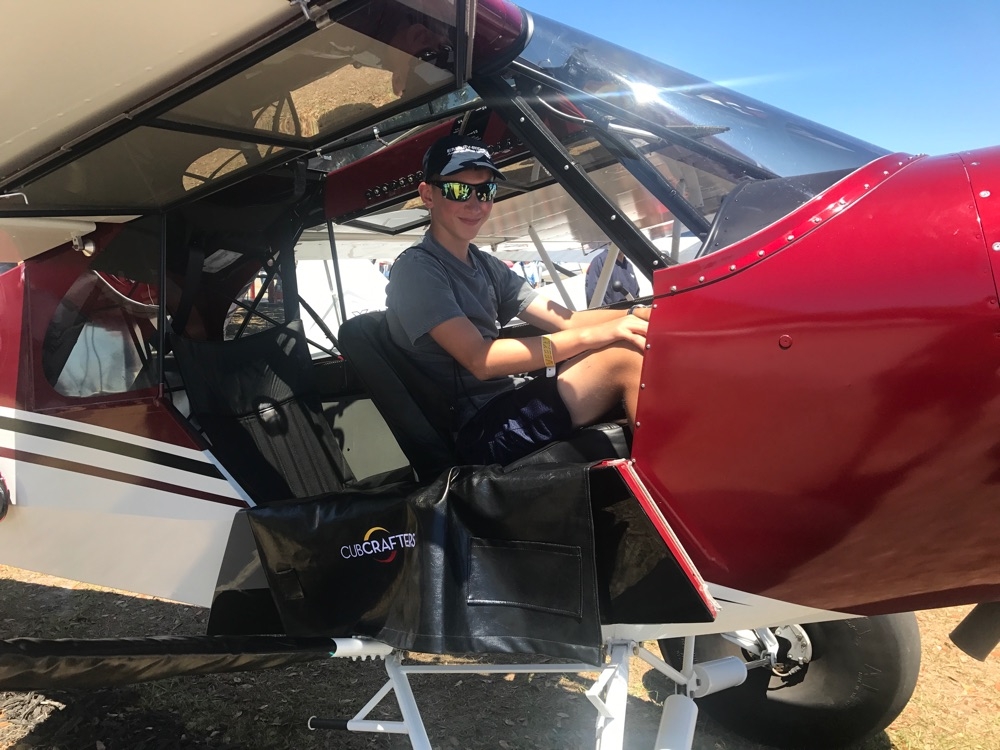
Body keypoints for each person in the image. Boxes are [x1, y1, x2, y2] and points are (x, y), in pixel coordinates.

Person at [385, 134, 651, 465]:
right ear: (428, 195)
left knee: (646, 342)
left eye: (485, 191)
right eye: (458, 190)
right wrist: (599, 335)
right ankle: (680, 495)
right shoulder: (417, 271)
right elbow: (481, 360)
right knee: (626, 357)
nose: (475, 203)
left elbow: (566, 320)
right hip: (480, 430)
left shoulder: (485, 265)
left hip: (513, 401)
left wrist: (642, 314)